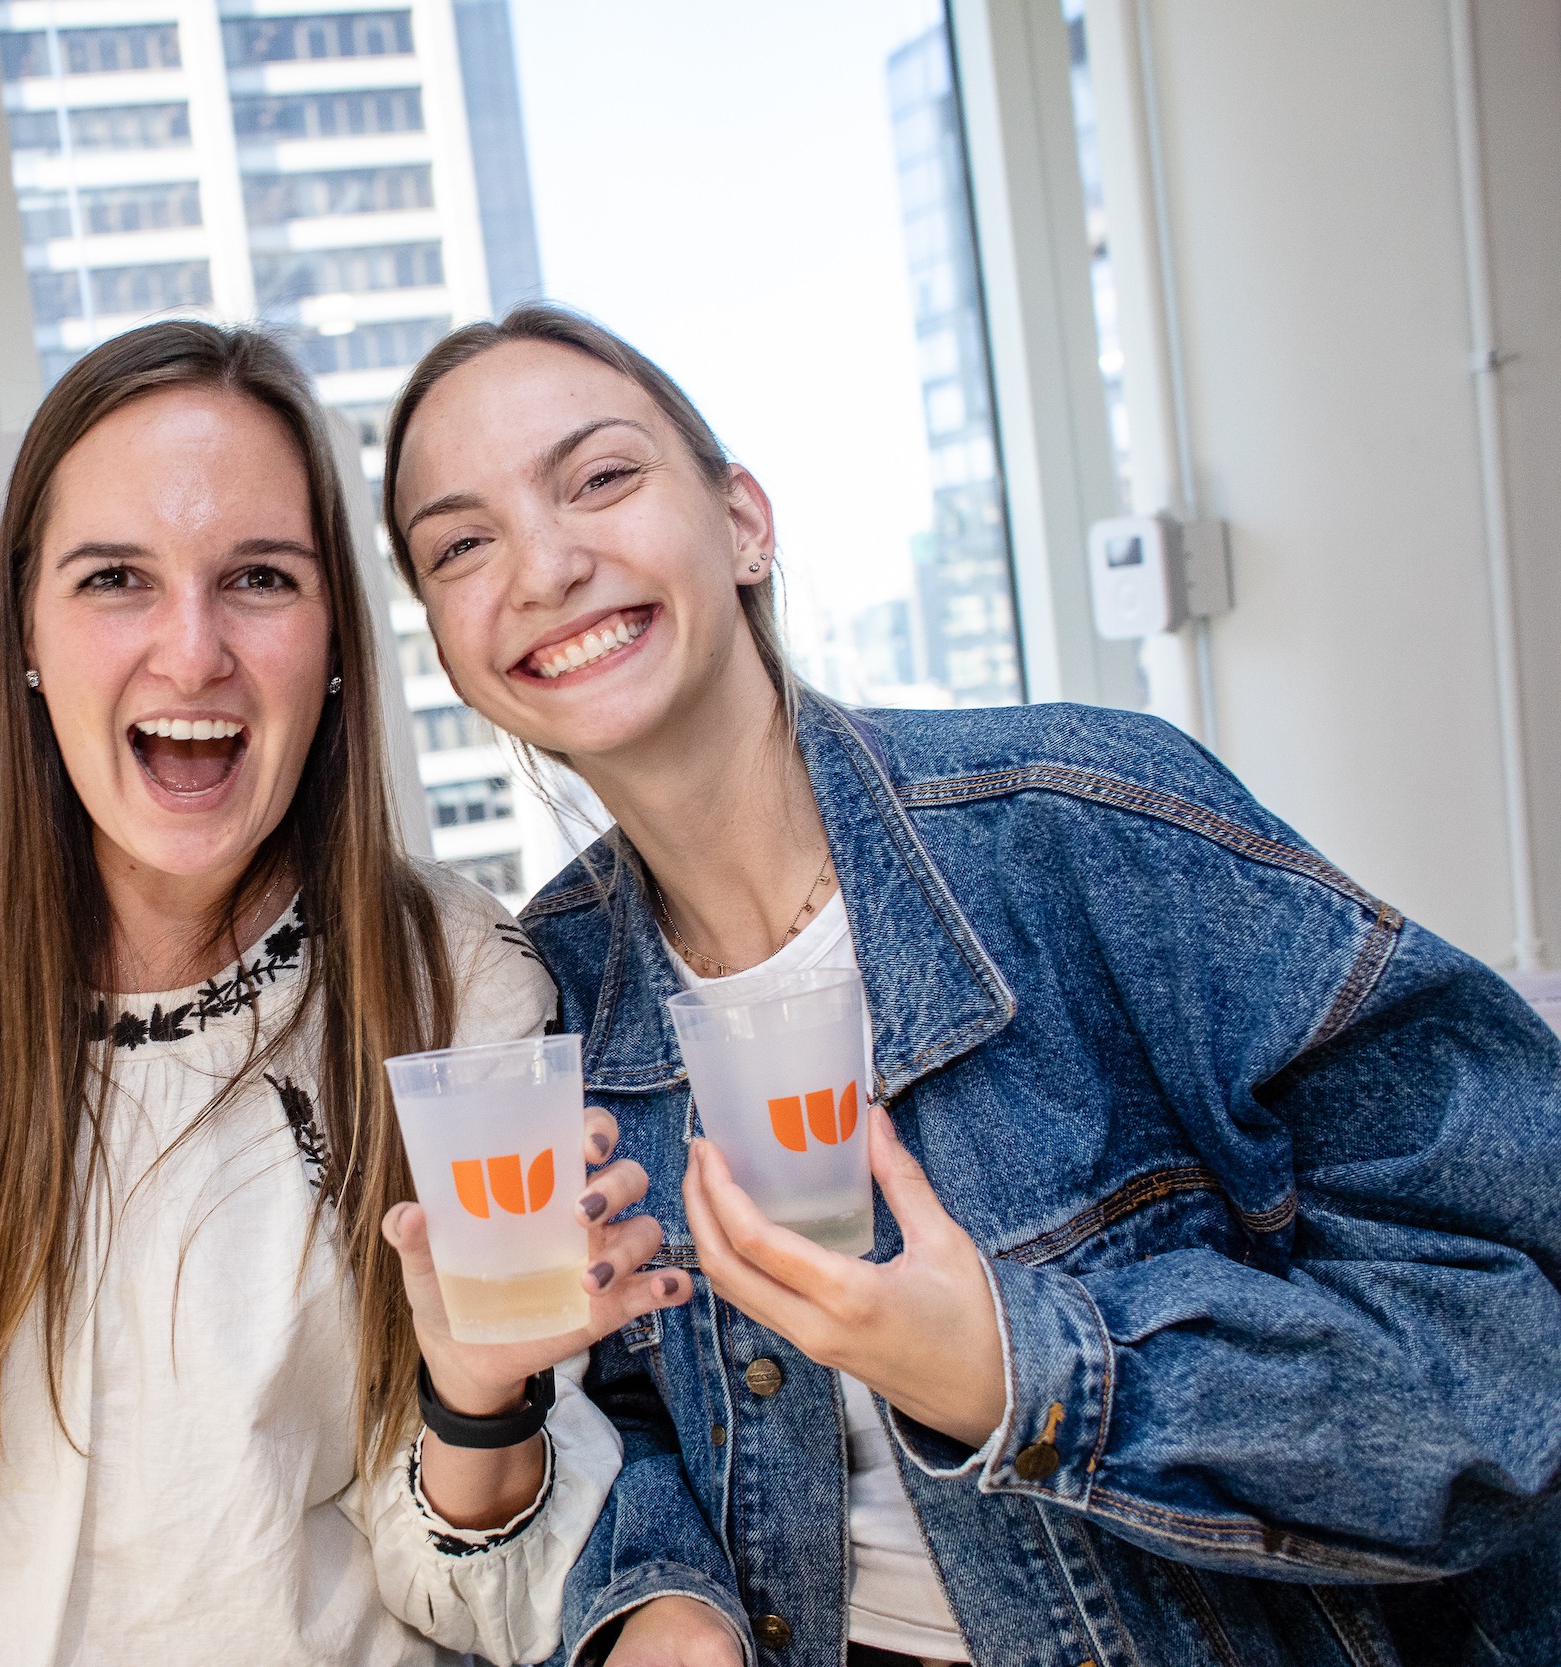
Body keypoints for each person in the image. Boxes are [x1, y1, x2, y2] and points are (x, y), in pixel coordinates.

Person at [378, 303, 1561, 1667]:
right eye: (461, 544)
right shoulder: (554, 994)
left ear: (744, 524)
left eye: (600, 478)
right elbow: (643, 1419)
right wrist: (656, 1592)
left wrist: (1022, 1372)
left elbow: (1512, 1342)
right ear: (457, 653)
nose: (542, 565)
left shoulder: (1094, 830)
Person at [0, 320, 690, 1666]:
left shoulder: (459, 980)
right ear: (26, 629)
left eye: (257, 578)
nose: (191, 651)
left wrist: (479, 1399)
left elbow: (488, 1598)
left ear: (334, 644)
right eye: (116, 580)